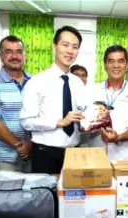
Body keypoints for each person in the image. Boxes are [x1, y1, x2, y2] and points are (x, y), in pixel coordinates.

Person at [20, 26, 86, 174]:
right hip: (45, 153)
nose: (70, 51)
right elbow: (26, 121)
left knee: (73, 196)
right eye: (65, 45)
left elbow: (82, 113)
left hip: (73, 153)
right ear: (55, 47)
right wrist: (59, 122)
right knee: (46, 195)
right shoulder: (37, 82)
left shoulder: (78, 83)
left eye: (75, 47)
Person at [89, 45, 128, 161]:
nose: (116, 66)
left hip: (122, 159)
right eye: (111, 61)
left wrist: (119, 137)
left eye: (120, 61)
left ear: (127, 66)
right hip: (95, 158)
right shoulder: (93, 91)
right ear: (105, 66)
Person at [0, 35, 32, 173]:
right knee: (6, 194)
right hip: (4, 158)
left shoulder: (34, 82)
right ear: (1, 55)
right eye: (9, 52)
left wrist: (30, 144)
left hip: (32, 154)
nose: (14, 56)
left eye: (18, 51)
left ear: (24, 55)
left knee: (33, 194)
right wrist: (19, 146)